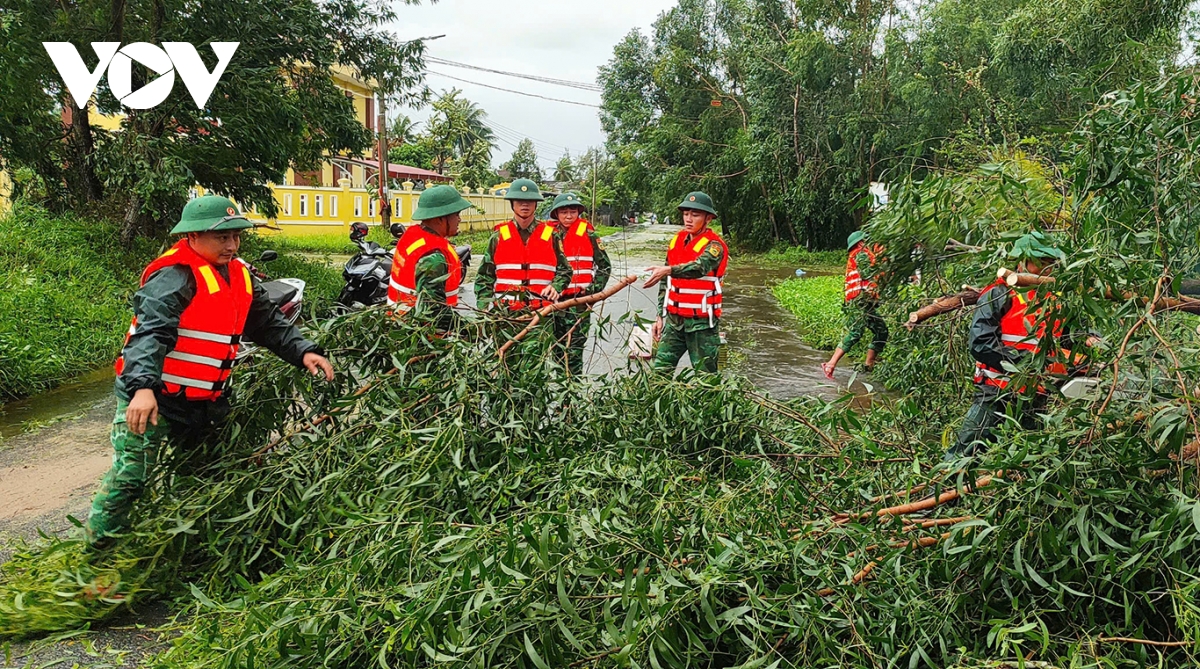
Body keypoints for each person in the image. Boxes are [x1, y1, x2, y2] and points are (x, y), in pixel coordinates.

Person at [90, 195, 334, 550]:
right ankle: (96, 557)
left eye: (236, 237)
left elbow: (267, 323)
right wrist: (142, 388)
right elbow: (150, 334)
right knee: (131, 477)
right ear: (192, 236)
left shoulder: (240, 275)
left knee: (205, 478)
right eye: (222, 237)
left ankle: (189, 549)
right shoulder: (173, 276)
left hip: (204, 402)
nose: (232, 245)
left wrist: (305, 351)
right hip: (153, 398)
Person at [946, 232, 1092, 460]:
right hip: (996, 390)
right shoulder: (999, 294)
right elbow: (981, 343)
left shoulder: (1055, 300)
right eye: (1041, 262)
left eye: (1051, 263)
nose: (1047, 268)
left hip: (1036, 395)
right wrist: (1029, 364)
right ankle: (945, 490)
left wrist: (1088, 342)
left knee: (1036, 459)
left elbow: (1070, 339)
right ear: (1022, 260)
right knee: (965, 455)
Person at [645, 192, 729, 374]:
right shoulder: (677, 241)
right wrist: (660, 315)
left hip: (702, 325)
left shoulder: (715, 246)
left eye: (695, 215)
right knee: (659, 373)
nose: (688, 219)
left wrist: (668, 270)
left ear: (708, 218)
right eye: (686, 214)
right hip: (675, 323)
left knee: (706, 380)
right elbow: (665, 283)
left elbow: (699, 267)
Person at [474, 179, 570, 318]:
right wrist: (483, 308)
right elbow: (484, 276)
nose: (525, 204)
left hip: (541, 315)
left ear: (536, 204)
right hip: (506, 315)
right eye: (519, 200)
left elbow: (565, 270)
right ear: (512, 204)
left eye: (530, 201)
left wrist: (556, 286)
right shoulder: (499, 236)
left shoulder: (551, 235)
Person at [387, 185, 474, 331]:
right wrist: (469, 329)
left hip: (401, 324)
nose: (459, 219)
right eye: (456, 214)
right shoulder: (433, 259)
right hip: (422, 335)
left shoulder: (414, 236)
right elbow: (434, 311)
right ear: (440, 218)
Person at [547, 192, 612, 376]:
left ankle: (572, 394)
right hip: (554, 302)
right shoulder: (548, 234)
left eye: (573, 212)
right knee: (556, 349)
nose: (568, 216)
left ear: (578, 213)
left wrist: (592, 291)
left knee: (574, 350)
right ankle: (561, 394)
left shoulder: (589, 234)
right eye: (564, 212)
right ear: (556, 214)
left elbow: (605, 267)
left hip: (579, 302)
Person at [823, 231, 889, 379]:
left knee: (881, 331)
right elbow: (867, 273)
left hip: (865, 301)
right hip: (858, 301)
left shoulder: (861, 254)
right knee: (856, 333)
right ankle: (830, 364)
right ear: (860, 243)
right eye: (866, 240)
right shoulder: (860, 254)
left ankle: (869, 364)